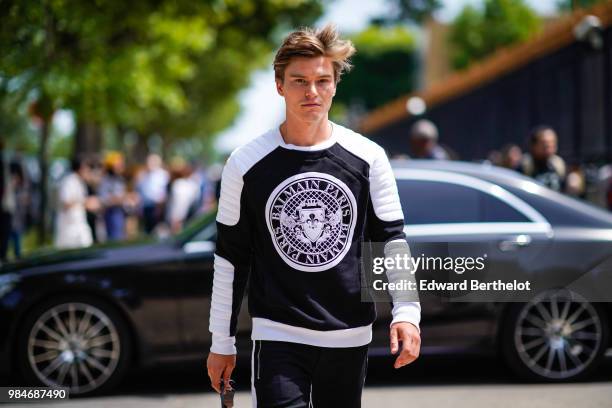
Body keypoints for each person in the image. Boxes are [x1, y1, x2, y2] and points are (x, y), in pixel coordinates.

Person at [206, 25, 421, 408]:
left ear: (336, 84)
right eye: (299, 81)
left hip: (349, 336)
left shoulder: (368, 157)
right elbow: (229, 259)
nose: (312, 92)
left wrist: (406, 311)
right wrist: (220, 342)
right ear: (279, 85)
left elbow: (390, 241)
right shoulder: (245, 163)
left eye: (323, 80)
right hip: (277, 336)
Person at [54, 157, 95, 249]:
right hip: (69, 227)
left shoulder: (80, 182)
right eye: (86, 168)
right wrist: (85, 202)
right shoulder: (68, 181)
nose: (88, 171)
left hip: (79, 225)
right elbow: (66, 202)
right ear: (81, 168)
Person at [520, 125, 566, 192]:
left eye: (553, 145)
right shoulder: (525, 166)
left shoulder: (557, 165)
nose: (550, 150)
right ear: (534, 145)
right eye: (545, 146)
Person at [136, 154, 169, 234]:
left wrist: (160, 206)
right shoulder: (142, 175)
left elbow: (164, 192)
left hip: (158, 207)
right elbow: (139, 191)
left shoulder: (163, 174)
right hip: (146, 206)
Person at [99, 152, 127, 241]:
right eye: (118, 164)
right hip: (111, 214)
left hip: (120, 212)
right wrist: (120, 199)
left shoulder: (119, 179)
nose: (121, 166)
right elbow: (104, 199)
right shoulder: (106, 180)